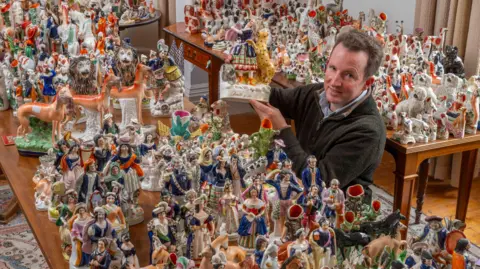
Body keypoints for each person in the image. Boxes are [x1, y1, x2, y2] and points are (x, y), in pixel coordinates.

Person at [250, 29, 386, 201]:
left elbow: (318, 183)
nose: (334, 82)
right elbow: (270, 97)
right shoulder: (316, 93)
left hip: (333, 212)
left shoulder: (368, 131)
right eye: (333, 68)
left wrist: (282, 131)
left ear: (368, 83)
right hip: (298, 189)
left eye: (349, 75)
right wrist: (243, 74)